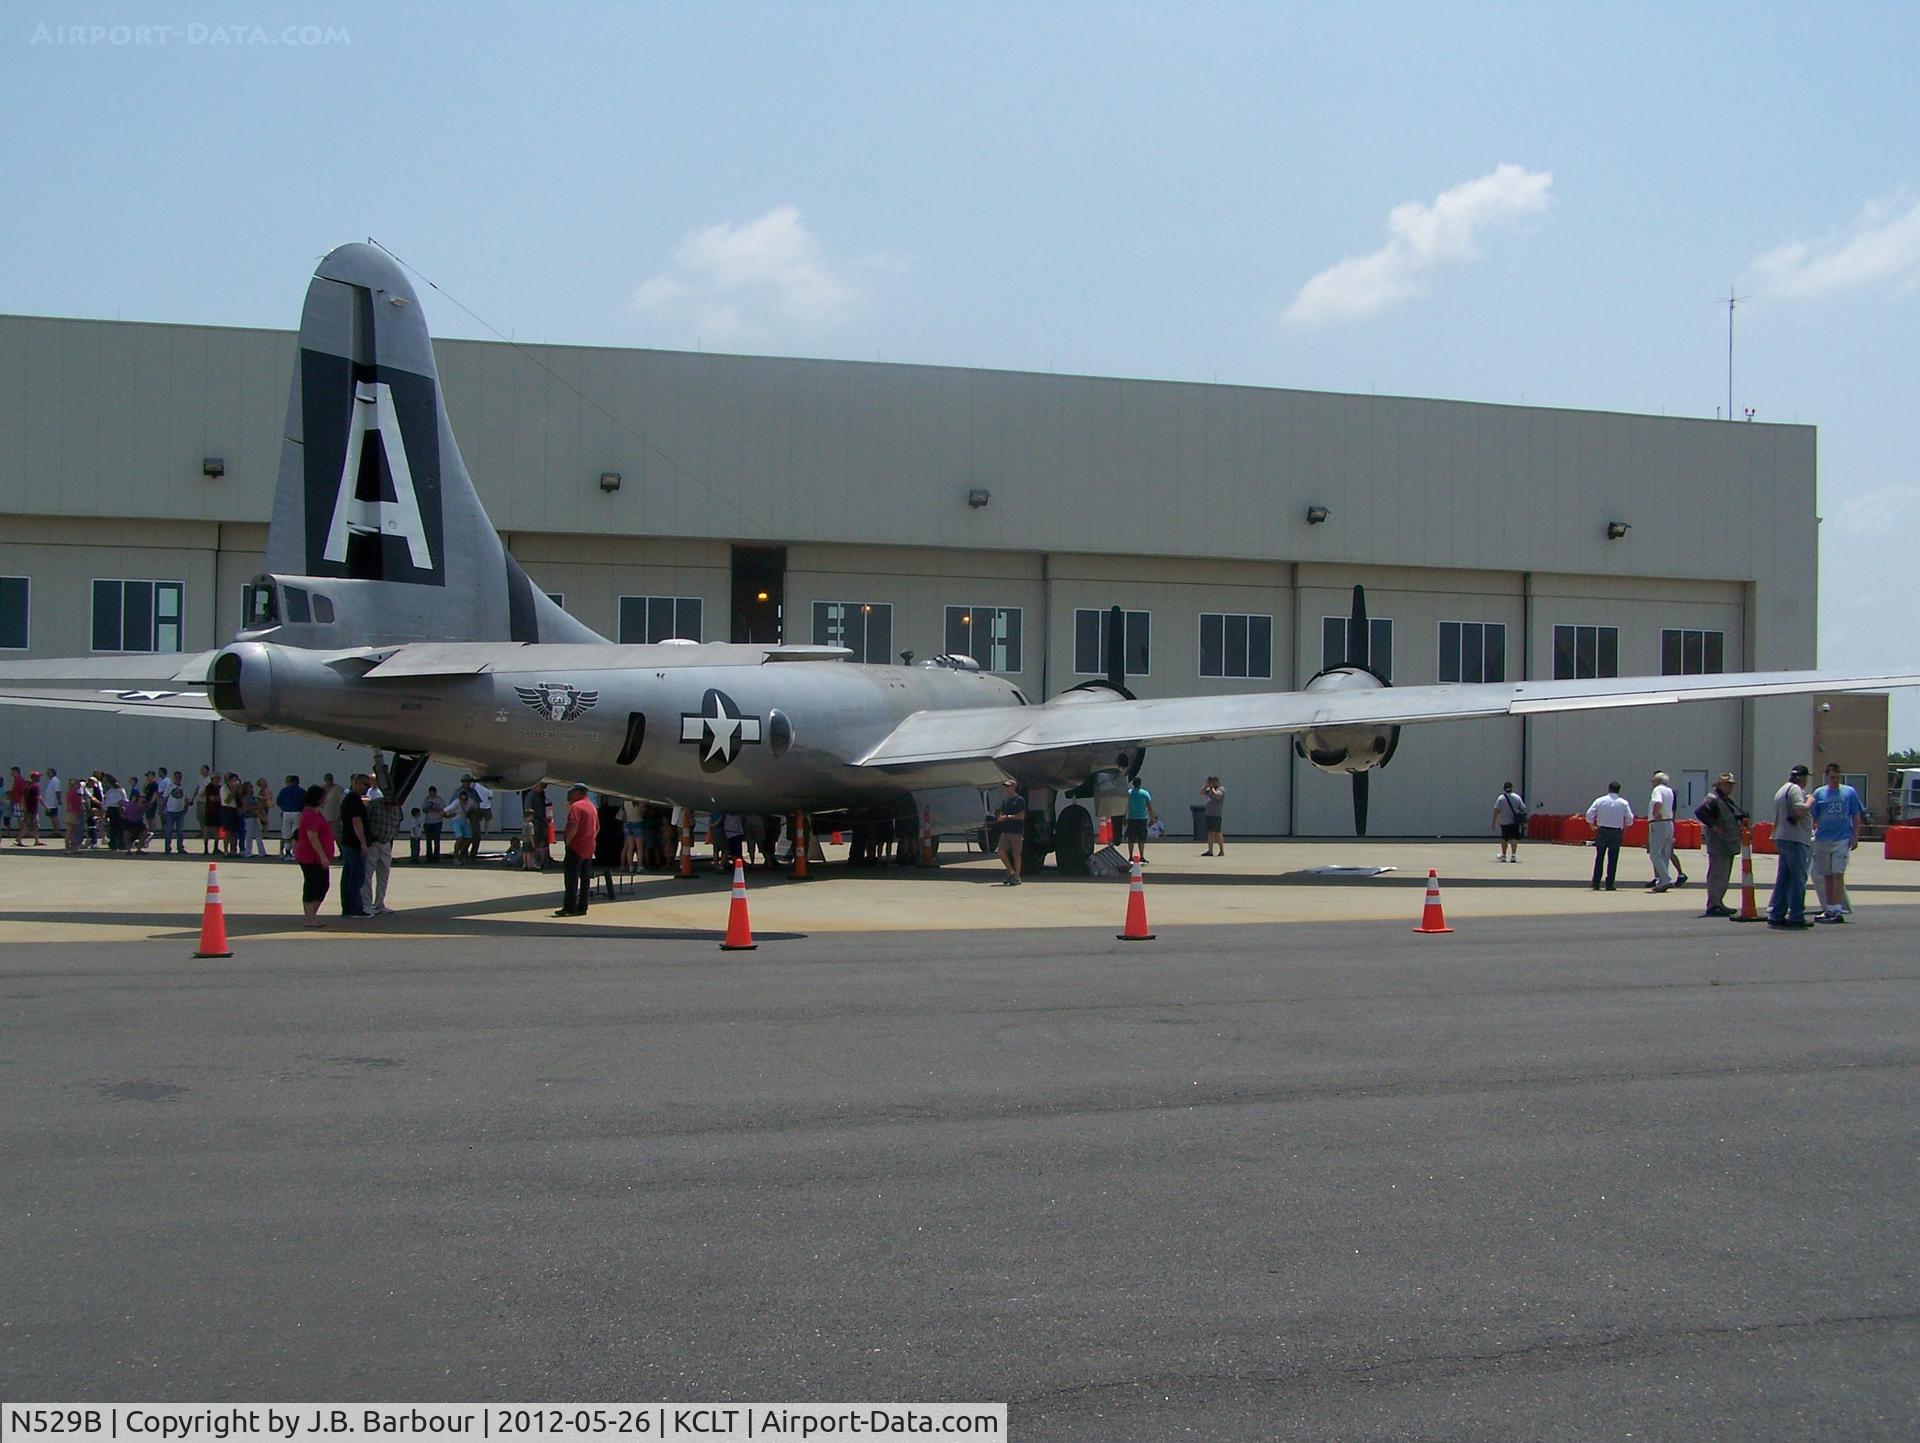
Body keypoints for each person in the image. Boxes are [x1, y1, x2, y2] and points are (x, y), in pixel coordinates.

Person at [1809, 763, 1865, 924]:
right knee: (1826, 875)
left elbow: (1855, 815)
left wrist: (1855, 837)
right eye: (1832, 777)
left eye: (1837, 777)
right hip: (1823, 839)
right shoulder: (1819, 793)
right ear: (1827, 776)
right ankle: (1830, 908)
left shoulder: (1849, 793)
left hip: (1841, 838)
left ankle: (1838, 909)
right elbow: (1814, 817)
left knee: (1837, 874)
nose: (1835, 780)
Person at [1767, 764, 1814, 929]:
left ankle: (1776, 913)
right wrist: (1810, 800)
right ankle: (1796, 915)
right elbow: (1800, 810)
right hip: (1795, 839)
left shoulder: (1782, 789)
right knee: (1798, 879)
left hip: (1783, 836)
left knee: (1784, 878)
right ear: (1801, 777)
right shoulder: (1794, 790)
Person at [1695, 773, 1746, 917]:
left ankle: (1718, 902)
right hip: (1719, 844)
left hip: (1726, 844)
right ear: (1719, 785)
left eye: (1731, 785)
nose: (1730, 788)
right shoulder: (1713, 799)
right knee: (1717, 874)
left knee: (1723, 875)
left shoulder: (1724, 800)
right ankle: (1713, 904)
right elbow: (1700, 812)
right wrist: (1714, 827)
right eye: (1727, 784)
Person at [292, 783, 336, 929]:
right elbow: (312, 837)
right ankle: (309, 918)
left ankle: (312, 915)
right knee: (312, 885)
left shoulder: (316, 813)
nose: (326, 799)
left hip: (316, 857)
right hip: (310, 857)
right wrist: (322, 856)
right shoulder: (310, 814)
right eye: (324, 797)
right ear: (318, 799)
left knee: (322, 885)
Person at [556, 785, 599, 916]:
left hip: (576, 847)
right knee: (585, 879)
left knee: (571, 879)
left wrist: (568, 842)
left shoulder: (576, 807)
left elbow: (573, 826)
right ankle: (582, 907)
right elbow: (597, 828)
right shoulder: (592, 807)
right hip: (588, 847)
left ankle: (569, 907)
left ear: (578, 793)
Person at [1585, 781, 1634, 891]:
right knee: (1613, 858)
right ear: (1619, 790)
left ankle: (1596, 882)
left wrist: (1593, 826)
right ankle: (1610, 883)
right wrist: (1624, 831)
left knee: (1599, 857)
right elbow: (1630, 819)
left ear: (1609, 789)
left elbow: (1589, 814)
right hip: (1616, 832)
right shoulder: (1623, 803)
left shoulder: (1600, 800)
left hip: (1602, 830)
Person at [337, 773, 372, 918]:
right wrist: (363, 843)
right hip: (354, 844)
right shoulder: (353, 800)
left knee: (349, 876)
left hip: (349, 842)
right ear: (356, 783)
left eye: (368, 785)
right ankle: (355, 908)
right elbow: (356, 822)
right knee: (356, 877)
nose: (367, 788)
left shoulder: (351, 799)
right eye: (365, 784)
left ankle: (348, 908)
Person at [1645, 771, 1687, 891]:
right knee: (1665, 853)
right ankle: (1662, 881)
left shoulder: (1657, 790)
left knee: (1655, 853)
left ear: (1658, 781)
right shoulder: (1669, 791)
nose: (1652, 782)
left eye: (1653, 780)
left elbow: (1657, 802)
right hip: (1668, 822)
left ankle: (1665, 879)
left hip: (1658, 822)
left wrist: (1656, 813)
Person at [366, 788, 402, 913]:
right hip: (374, 842)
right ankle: (366, 904)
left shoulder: (396, 808)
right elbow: (366, 821)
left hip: (386, 842)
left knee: (384, 874)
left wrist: (392, 837)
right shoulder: (374, 805)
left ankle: (379, 903)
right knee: (368, 874)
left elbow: (397, 823)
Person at [991, 780, 1026, 886]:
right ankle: (1010, 871)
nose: (1007, 789)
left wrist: (1009, 817)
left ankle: (1017, 876)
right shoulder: (1005, 801)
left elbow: (1022, 816)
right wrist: (1000, 817)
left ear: (1014, 787)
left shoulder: (1019, 800)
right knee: (1000, 851)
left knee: (1016, 854)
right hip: (1006, 831)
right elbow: (1002, 812)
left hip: (1016, 831)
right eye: (1006, 787)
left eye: (1008, 786)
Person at [1492, 781, 1526, 863]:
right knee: (1513, 838)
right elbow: (1523, 808)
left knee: (1504, 838)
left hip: (1504, 821)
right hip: (1514, 821)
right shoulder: (1517, 797)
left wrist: (1494, 822)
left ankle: (1503, 855)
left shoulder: (1501, 798)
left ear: (1504, 788)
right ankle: (1513, 855)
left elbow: (1496, 810)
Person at [1125, 777, 1157, 863]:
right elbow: (1149, 807)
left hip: (1131, 818)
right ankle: (1142, 856)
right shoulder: (1145, 793)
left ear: (1133, 784)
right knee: (1141, 838)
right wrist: (1152, 818)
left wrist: (1123, 817)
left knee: (1131, 838)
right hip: (1142, 818)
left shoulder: (1129, 793)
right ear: (1140, 783)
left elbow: (1125, 807)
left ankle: (1130, 856)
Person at [275, 775, 305, 858]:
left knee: (286, 834)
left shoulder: (283, 791)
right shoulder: (301, 791)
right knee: (296, 833)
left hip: (286, 813)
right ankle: (296, 852)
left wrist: (284, 807)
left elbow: (279, 802)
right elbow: (305, 802)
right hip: (297, 813)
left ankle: (287, 852)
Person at [1201, 776, 1227, 856]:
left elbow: (1217, 796)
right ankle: (1210, 851)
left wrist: (1212, 788)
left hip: (1216, 815)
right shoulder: (1210, 790)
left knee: (1217, 833)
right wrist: (1206, 786)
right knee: (1209, 833)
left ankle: (1221, 851)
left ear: (1216, 782)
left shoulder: (1220, 789)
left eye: (1212, 782)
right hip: (1209, 814)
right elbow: (1202, 793)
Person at [422, 785, 445, 862]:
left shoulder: (439, 800)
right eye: (430, 793)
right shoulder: (426, 799)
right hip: (428, 822)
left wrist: (436, 808)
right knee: (428, 840)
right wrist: (429, 808)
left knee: (436, 840)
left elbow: (443, 810)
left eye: (433, 793)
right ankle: (429, 856)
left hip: (437, 822)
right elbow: (424, 810)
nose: (431, 795)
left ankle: (436, 856)